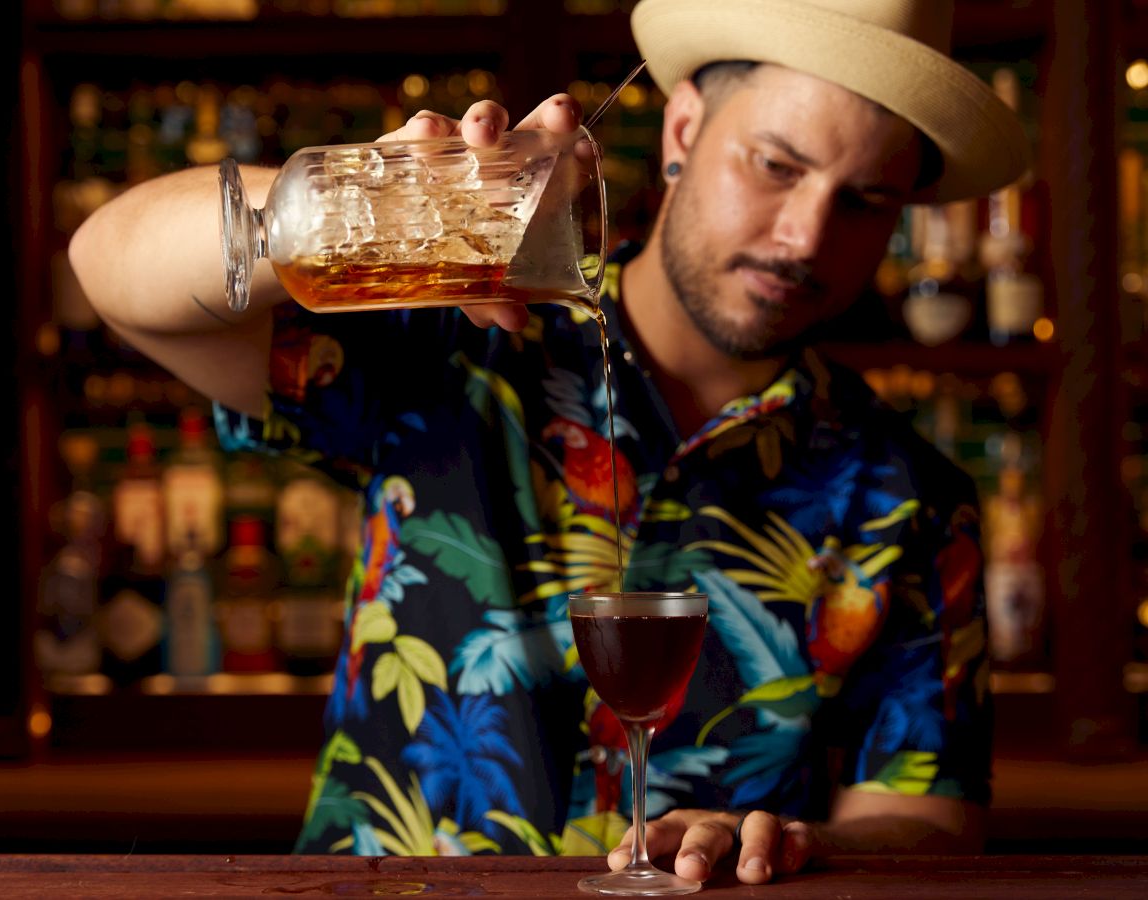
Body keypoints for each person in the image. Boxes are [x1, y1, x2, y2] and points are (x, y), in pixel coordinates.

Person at [69, 0, 1029, 886]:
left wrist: (811, 843)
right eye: (776, 166)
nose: (805, 236)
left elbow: (932, 821)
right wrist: (369, 201)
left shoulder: (907, 492)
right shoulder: (458, 343)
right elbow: (108, 268)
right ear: (684, 131)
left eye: (864, 201)